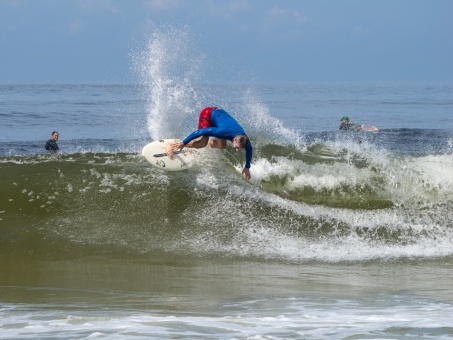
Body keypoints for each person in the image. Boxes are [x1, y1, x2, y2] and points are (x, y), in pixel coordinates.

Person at [167, 107, 253, 180]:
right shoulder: (222, 132)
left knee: (222, 146)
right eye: (237, 147)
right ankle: (173, 145)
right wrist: (183, 142)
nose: (237, 150)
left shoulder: (244, 139)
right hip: (207, 114)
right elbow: (199, 132)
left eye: (240, 148)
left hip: (219, 117)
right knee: (202, 143)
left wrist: (247, 167)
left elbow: (249, 149)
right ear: (234, 139)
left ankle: (206, 143)